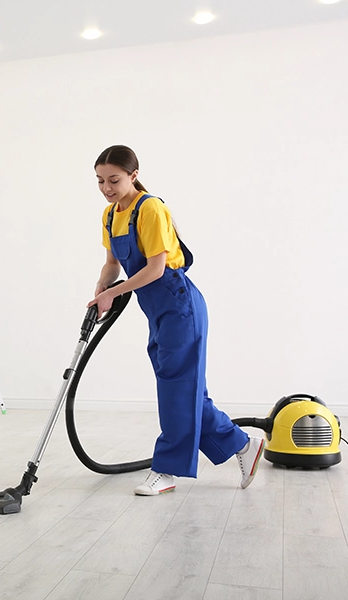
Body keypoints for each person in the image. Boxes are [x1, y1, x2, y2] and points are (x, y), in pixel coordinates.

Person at [88, 145, 263, 496]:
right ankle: (243, 445)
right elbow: (112, 262)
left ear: (133, 175)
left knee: (175, 387)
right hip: (156, 310)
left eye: (114, 179)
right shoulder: (110, 215)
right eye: (100, 181)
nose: (107, 187)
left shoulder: (150, 208)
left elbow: (155, 268)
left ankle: (166, 471)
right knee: (184, 387)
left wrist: (116, 293)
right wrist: (101, 290)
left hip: (180, 305)